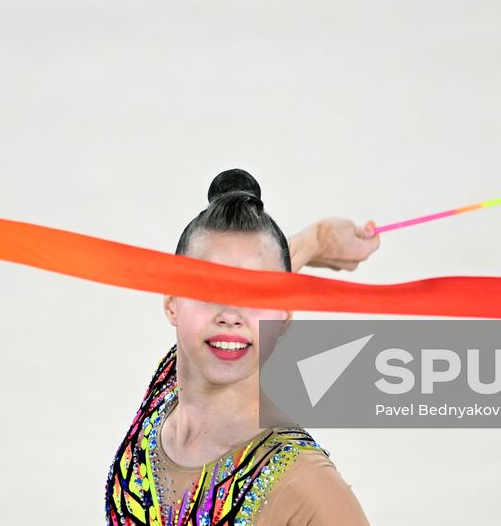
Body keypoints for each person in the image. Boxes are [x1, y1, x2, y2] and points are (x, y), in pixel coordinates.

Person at [106, 168, 378, 524]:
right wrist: (317, 240)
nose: (230, 315)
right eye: (208, 290)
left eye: (254, 293)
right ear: (172, 303)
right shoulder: (169, 380)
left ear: (283, 315)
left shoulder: (307, 486)